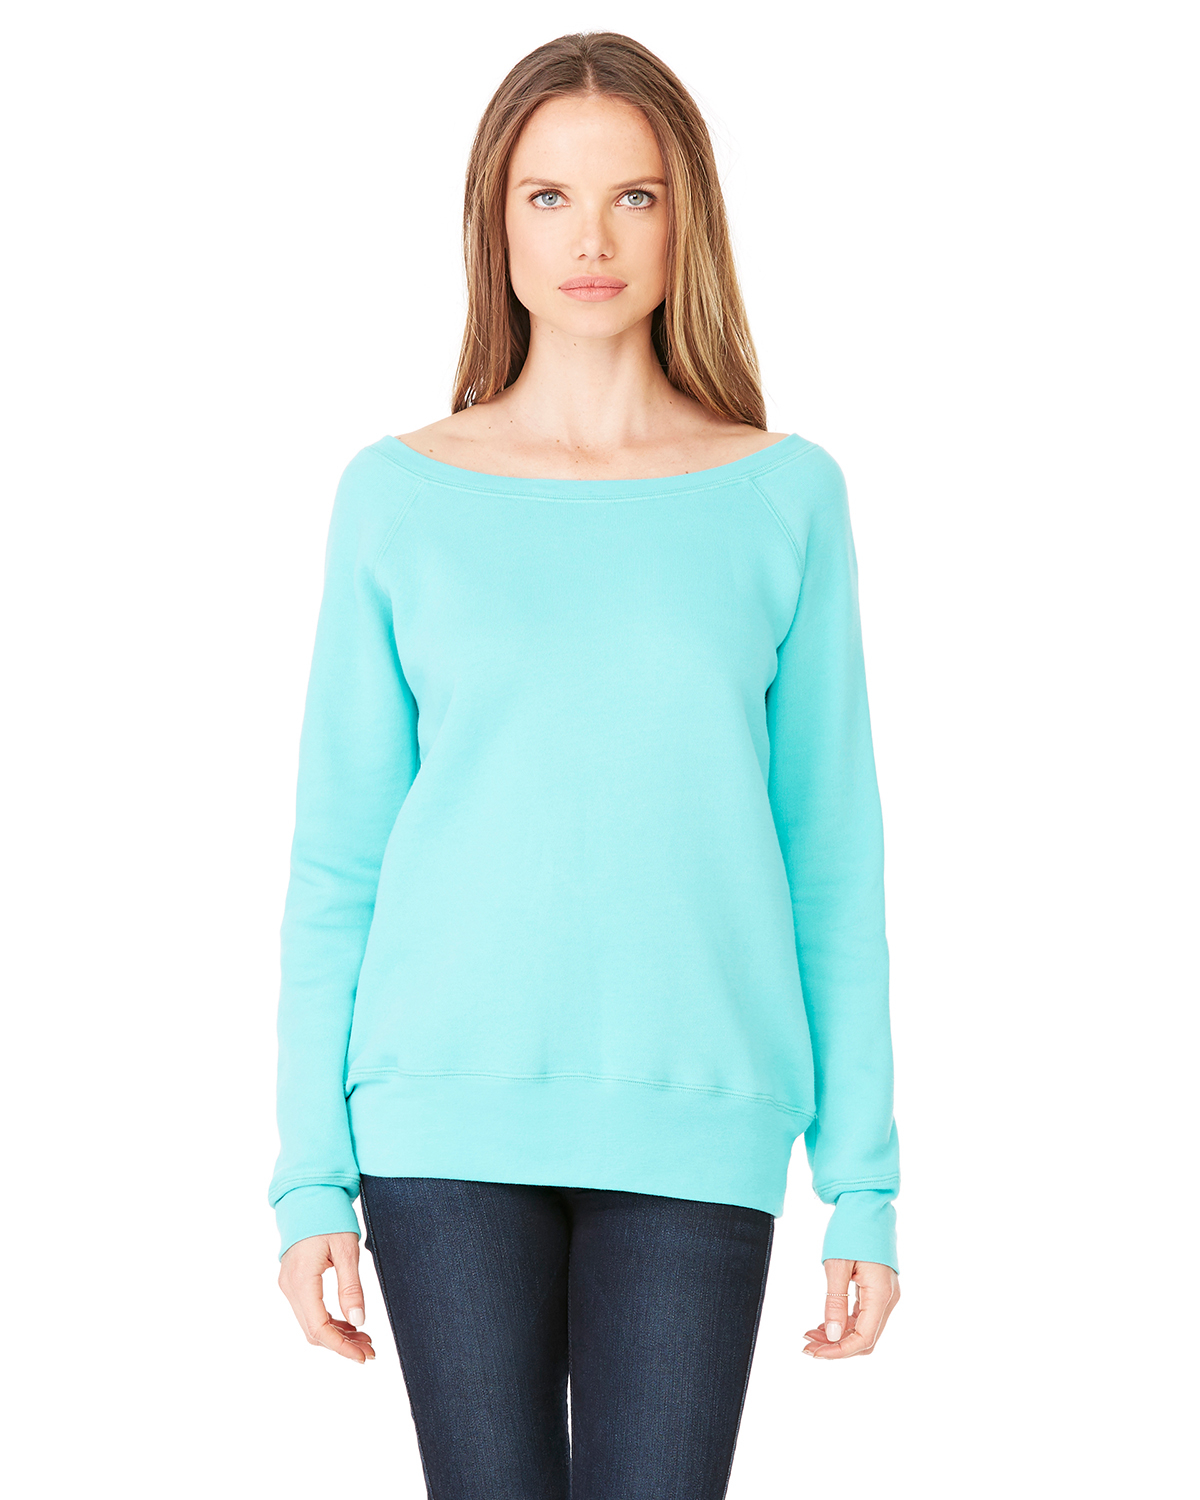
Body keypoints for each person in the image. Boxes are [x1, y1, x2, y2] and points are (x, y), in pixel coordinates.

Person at [269, 29, 901, 1498]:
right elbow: (337, 863)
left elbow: (831, 857)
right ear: (495, 221)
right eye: (549, 196)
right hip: (440, 1117)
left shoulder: (785, 495)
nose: (592, 240)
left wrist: (862, 1181)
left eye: (635, 196)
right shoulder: (397, 497)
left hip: (702, 1115)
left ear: (689, 220)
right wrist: (310, 1176)